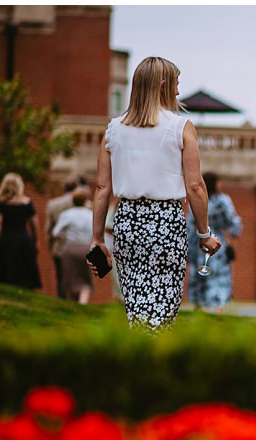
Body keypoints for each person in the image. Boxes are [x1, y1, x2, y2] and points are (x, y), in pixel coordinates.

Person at [88, 56, 220, 331]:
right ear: (163, 85)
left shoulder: (113, 129)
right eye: (176, 84)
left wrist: (98, 238)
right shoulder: (180, 127)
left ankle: (139, 357)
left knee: (136, 305)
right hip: (166, 222)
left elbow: (102, 188)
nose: (178, 92)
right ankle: (149, 361)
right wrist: (204, 234)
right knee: (163, 305)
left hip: (127, 222)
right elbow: (195, 186)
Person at [186, 171, 242, 313]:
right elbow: (234, 225)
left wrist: (189, 253)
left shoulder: (198, 200)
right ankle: (218, 313)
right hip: (218, 245)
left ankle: (199, 313)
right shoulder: (223, 201)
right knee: (220, 282)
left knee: (201, 281)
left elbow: (190, 227)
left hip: (201, 245)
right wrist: (235, 232)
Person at [0, 172, 42, 290]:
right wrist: (36, 240)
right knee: (24, 267)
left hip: (6, 239)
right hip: (23, 239)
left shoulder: (1, 203)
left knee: (4, 267)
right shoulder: (27, 202)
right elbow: (34, 224)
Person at [51, 187, 94, 304]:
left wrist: (64, 237)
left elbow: (55, 233)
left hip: (69, 248)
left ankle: (71, 306)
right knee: (85, 279)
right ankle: (83, 305)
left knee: (69, 278)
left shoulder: (67, 214)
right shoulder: (90, 215)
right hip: (86, 249)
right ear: (85, 200)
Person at [47, 176, 85, 296]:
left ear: (64, 188)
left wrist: (51, 246)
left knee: (61, 276)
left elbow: (49, 229)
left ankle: (62, 300)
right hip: (81, 245)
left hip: (60, 246)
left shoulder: (53, 204)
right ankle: (78, 302)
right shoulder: (84, 204)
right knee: (79, 276)